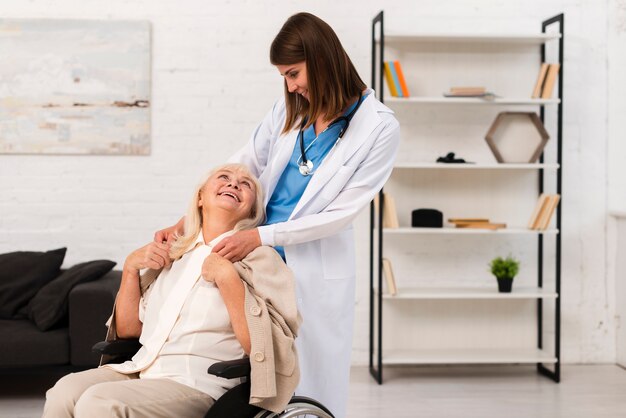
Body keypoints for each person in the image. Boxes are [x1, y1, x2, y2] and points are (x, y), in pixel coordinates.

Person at [156, 12, 400, 418]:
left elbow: (340, 214)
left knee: (308, 381)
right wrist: (186, 221)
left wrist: (261, 237)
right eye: (284, 76)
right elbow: (244, 163)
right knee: (249, 367)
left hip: (307, 265)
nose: (290, 85)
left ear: (322, 60)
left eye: (294, 73)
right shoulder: (290, 109)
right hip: (257, 258)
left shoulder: (378, 128)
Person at [43, 164, 300, 418]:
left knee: (99, 403)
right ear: (200, 198)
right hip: (143, 368)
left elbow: (263, 348)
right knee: (63, 392)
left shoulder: (261, 260)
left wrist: (226, 277)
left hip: (198, 383)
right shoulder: (175, 253)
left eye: (246, 184)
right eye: (224, 177)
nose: (234, 184)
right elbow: (130, 331)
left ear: (253, 209)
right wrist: (131, 268)